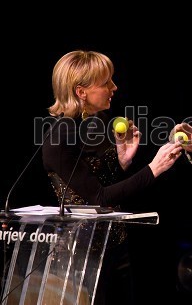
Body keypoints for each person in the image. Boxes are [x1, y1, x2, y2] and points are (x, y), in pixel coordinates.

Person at [42, 50, 184, 305]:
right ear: (80, 92)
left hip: (115, 245)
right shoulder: (60, 136)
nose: (114, 87)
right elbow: (99, 199)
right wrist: (154, 168)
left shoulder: (99, 121)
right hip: (82, 256)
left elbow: (105, 182)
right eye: (106, 82)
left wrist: (123, 160)